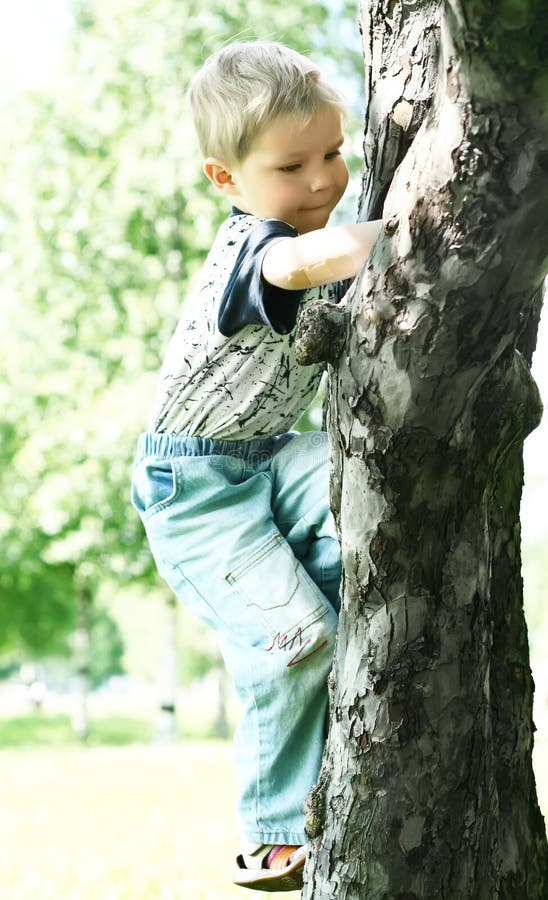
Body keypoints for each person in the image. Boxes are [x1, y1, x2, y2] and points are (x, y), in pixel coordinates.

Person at [131, 40, 382, 892]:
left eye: (334, 154)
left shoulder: (308, 222)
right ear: (226, 180)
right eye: (291, 166)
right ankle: (273, 831)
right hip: (195, 488)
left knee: (368, 479)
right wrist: (400, 231)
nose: (322, 180)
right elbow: (300, 265)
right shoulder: (256, 249)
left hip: (270, 458)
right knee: (293, 642)